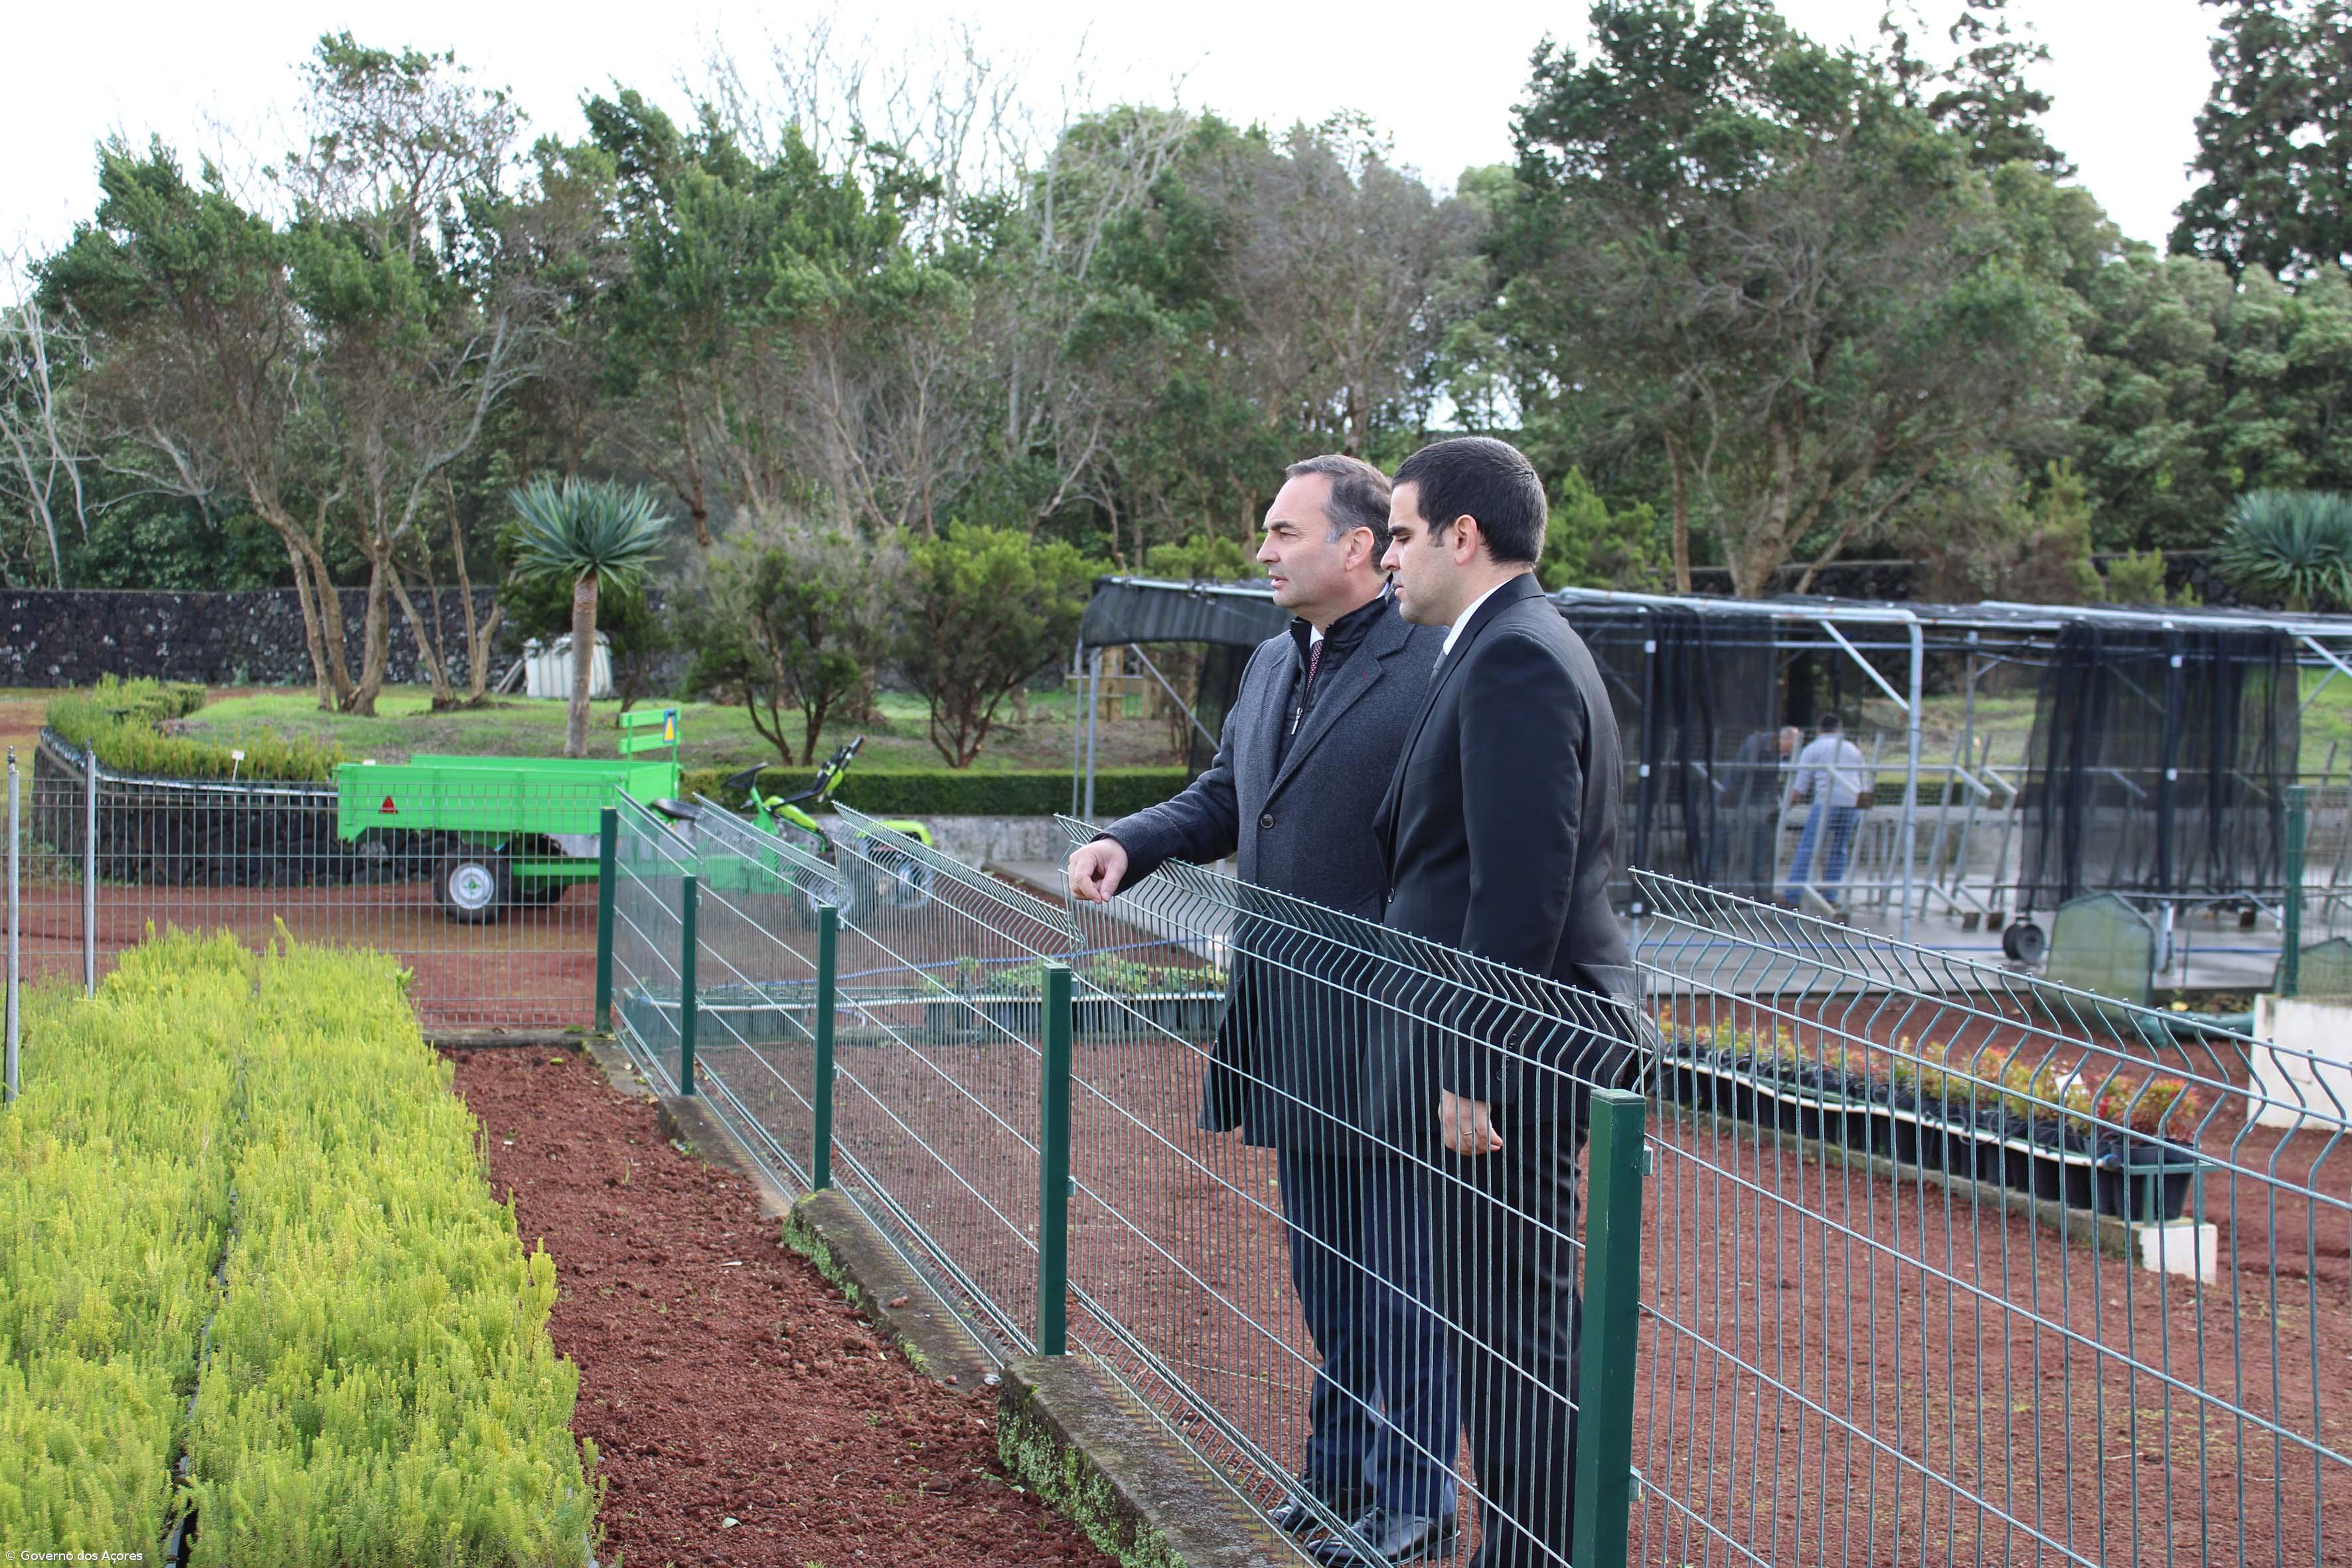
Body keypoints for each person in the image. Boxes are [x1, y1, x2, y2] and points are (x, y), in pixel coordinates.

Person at [1065, 455, 1459, 1563]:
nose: (1263, 550)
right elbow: (1230, 798)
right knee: (1325, 1278)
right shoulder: (1272, 661)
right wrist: (1128, 842)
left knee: (1402, 1285)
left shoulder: (1433, 663)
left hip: (1391, 1033)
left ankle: (1413, 1506)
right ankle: (1334, 1480)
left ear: (1357, 547)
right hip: (1291, 1026)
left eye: (1283, 532)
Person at [1368, 435, 1636, 1568]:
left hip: (1513, 1058)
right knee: (1498, 1327)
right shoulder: (1502, 644)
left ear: (1460, 537)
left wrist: (1471, 1065)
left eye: (1397, 533)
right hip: (1511, 1042)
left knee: (1513, 1333)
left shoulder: (1514, 656)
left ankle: (1532, 1555)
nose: (1386, 558)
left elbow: (1519, 884)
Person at [1781, 713, 1867, 911]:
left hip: (1826, 803)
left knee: (1808, 848)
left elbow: (1800, 787)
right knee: (1839, 849)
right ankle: (1831, 894)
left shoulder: (1813, 748)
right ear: (1840, 729)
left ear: (1820, 730)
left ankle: (1793, 896)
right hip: (1852, 803)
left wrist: (1784, 808)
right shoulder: (1853, 749)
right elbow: (1863, 780)